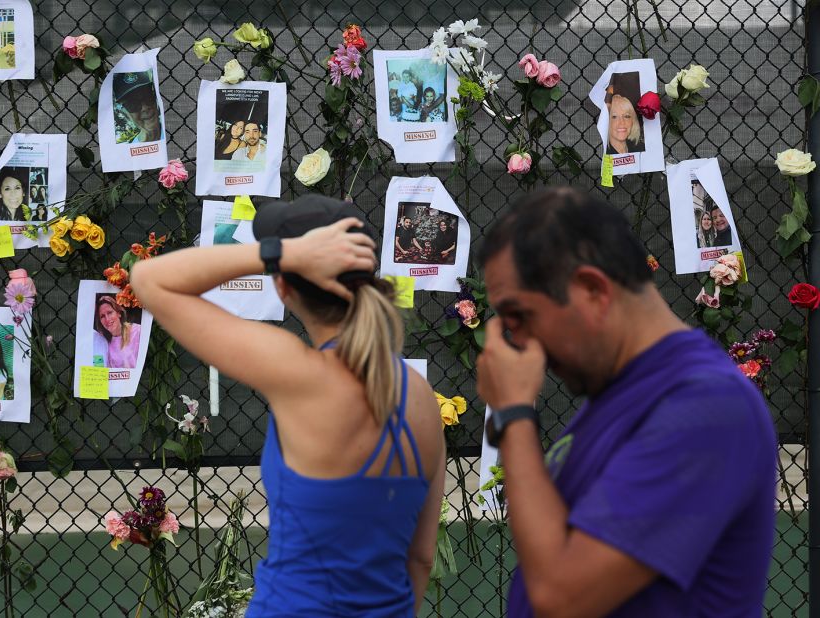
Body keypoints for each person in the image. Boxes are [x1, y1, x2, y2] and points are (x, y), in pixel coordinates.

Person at [130, 195, 445, 617]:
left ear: (283, 285)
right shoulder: (420, 395)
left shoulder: (300, 373)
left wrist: (280, 252)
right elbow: (421, 557)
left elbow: (149, 278)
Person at [475, 188, 775, 617]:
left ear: (593, 291)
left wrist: (512, 412)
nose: (514, 341)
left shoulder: (707, 406)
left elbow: (562, 598)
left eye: (519, 316)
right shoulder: (623, 393)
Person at [95, 296, 142, 369]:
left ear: (119, 313)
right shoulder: (102, 342)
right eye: (102, 316)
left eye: (110, 312)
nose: (107, 319)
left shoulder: (138, 331)